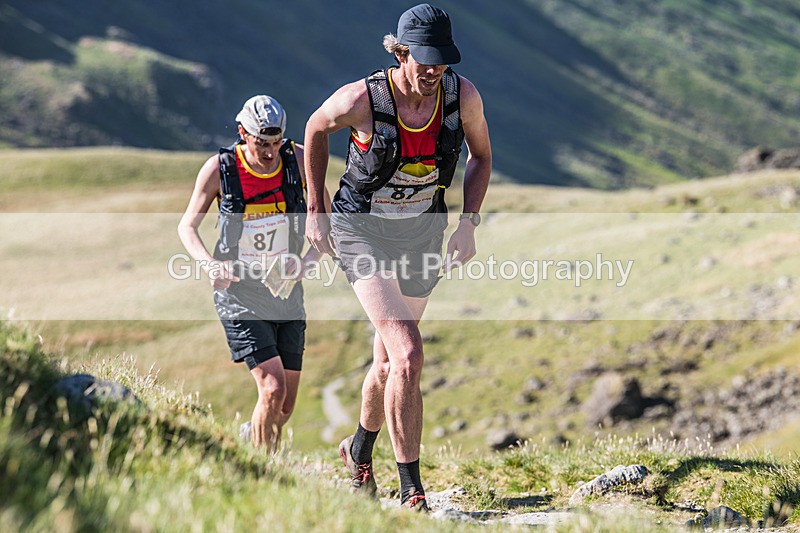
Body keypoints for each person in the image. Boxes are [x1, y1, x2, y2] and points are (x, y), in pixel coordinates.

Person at [304, 4, 492, 511]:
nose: (434, 70)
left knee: (389, 365)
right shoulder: (362, 99)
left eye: (442, 60)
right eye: (424, 60)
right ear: (400, 51)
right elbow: (315, 128)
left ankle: (358, 450)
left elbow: (482, 156)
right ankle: (412, 491)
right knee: (408, 352)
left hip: (422, 233)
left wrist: (469, 222)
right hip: (360, 229)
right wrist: (316, 210)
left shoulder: (462, 96)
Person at [178, 95, 324, 452]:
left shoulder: (299, 161)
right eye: (262, 143)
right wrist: (209, 264)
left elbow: (326, 223)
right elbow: (187, 227)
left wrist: (305, 263)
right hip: (239, 292)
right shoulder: (220, 168)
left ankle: (250, 437)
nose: (271, 152)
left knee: (284, 405)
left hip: (286, 292)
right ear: (243, 133)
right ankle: (264, 471)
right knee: (271, 389)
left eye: (276, 143)